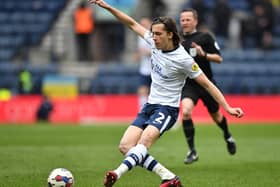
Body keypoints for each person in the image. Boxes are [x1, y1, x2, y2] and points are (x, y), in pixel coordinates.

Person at [88, 1, 244, 187]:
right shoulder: (153, 43)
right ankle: (169, 177)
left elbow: (208, 85)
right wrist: (107, 7)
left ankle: (117, 173)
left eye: (158, 34)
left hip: (167, 110)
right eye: (153, 34)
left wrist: (227, 107)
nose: (153, 38)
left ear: (170, 34)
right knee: (125, 146)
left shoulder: (184, 59)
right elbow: (131, 23)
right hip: (149, 106)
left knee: (142, 144)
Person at [179, 8, 237, 164]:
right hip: (189, 85)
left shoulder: (205, 37)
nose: (184, 22)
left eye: (188, 19)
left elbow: (219, 59)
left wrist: (203, 54)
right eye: (182, 20)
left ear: (195, 21)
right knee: (185, 112)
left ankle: (227, 135)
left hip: (206, 83)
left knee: (217, 116)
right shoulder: (177, 39)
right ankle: (192, 151)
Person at [136, 17, 152, 110]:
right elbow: (140, 52)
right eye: (141, 24)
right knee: (142, 90)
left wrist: (147, 52)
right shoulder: (140, 37)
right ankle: (142, 111)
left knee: (158, 92)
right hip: (144, 69)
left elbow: (159, 52)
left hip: (155, 69)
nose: (143, 26)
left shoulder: (154, 36)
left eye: (145, 24)